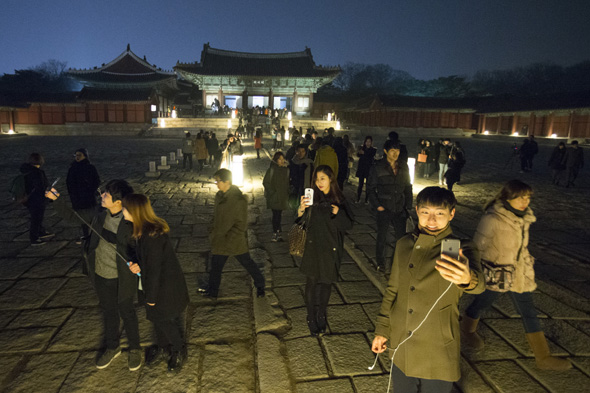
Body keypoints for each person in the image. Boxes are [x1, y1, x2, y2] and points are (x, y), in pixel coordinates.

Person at [371, 186, 484, 393]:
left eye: (439, 214)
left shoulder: (462, 248)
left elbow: (478, 285)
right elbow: (393, 289)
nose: (431, 220)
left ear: (451, 214)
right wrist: (382, 329)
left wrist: (468, 278)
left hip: (437, 345)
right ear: (417, 211)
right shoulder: (404, 244)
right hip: (402, 339)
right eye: (425, 213)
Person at [461, 180, 572, 370]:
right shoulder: (493, 218)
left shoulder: (523, 218)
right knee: (481, 303)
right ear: (507, 197)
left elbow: (522, 247)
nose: (524, 201)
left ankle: (543, 357)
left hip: (519, 274)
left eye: (527, 197)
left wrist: (527, 262)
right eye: (520, 197)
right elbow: (477, 247)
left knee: (528, 311)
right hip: (498, 274)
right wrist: (478, 270)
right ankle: (466, 330)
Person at [46, 179, 141, 371]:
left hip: (122, 278)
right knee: (109, 312)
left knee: (127, 312)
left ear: (118, 201)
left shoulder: (130, 221)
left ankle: (135, 349)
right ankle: (112, 347)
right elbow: (73, 217)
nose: (102, 196)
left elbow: (141, 249)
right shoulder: (98, 214)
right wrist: (56, 200)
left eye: (106, 195)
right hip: (100, 274)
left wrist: (139, 265)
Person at [122, 194, 189, 373]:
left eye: (125, 208)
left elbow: (154, 270)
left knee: (164, 320)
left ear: (134, 211)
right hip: (155, 286)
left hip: (163, 288)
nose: (123, 211)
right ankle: (162, 346)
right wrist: (134, 262)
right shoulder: (141, 229)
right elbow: (141, 257)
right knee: (156, 318)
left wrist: (151, 297)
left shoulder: (151, 235)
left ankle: (178, 349)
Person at [297, 165, 353, 335]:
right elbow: (301, 221)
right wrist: (300, 209)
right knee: (312, 282)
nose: (319, 182)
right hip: (313, 245)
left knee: (326, 282)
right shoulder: (311, 198)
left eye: (323, 178)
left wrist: (337, 213)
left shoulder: (340, 199)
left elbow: (349, 225)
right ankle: (311, 316)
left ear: (330, 179)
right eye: (317, 179)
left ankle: (321, 313)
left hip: (331, 247)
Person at [199, 169, 265, 299]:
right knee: (216, 267)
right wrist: (213, 230)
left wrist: (230, 237)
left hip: (234, 241)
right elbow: (217, 217)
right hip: (219, 240)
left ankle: (260, 285)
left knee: (248, 264)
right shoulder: (219, 196)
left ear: (226, 182)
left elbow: (241, 224)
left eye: (218, 181)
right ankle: (212, 292)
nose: (216, 184)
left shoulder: (239, 200)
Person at [367, 140, 413, 273]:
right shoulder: (378, 166)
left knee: (400, 237)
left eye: (397, 151)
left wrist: (408, 205)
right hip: (384, 206)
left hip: (400, 206)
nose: (395, 153)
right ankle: (380, 263)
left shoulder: (403, 166)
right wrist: (377, 206)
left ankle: (395, 262)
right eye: (392, 150)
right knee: (382, 236)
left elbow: (408, 186)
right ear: (386, 151)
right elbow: (371, 188)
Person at [66, 148, 101, 243]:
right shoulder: (72, 168)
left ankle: (94, 234)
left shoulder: (90, 167)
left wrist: (90, 190)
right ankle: (86, 235)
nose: (77, 157)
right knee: (82, 218)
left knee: (92, 216)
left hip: (89, 197)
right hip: (77, 197)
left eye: (79, 155)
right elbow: (69, 183)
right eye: (76, 155)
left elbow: (96, 181)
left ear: (85, 156)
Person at [20, 153, 54, 246]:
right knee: (37, 218)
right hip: (37, 199)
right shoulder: (38, 172)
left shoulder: (26, 171)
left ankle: (40, 232)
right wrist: (49, 196)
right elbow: (41, 187)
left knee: (36, 217)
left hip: (28, 199)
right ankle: (34, 238)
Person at [263, 152, 290, 242]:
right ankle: (276, 233)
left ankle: (278, 233)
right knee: (276, 215)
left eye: (283, 159)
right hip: (274, 197)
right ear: (276, 160)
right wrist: (272, 192)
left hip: (282, 197)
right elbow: (266, 182)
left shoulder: (286, 170)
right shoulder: (271, 170)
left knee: (279, 215)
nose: (282, 161)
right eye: (280, 159)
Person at [355, 136, 377, 204]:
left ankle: (366, 200)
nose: (368, 143)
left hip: (368, 169)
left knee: (368, 185)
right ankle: (358, 198)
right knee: (360, 185)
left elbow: (370, 155)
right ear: (365, 142)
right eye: (367, 142)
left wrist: (364, 153)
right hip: (362, 168)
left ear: (371, 143)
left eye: (369, 142)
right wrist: (359, 152)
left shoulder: (373, 150)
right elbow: (358, 155)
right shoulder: (362, 148)